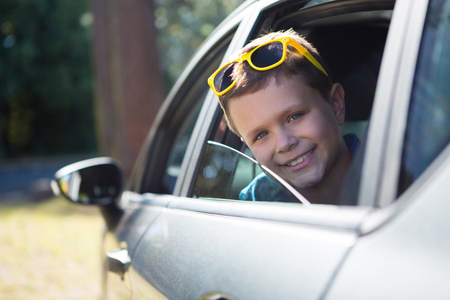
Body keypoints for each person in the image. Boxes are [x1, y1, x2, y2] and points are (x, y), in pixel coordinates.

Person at [207, 29, 358, 205]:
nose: (284, 143)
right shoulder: (255, 204)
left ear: (336, 104)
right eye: (261, 135)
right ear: (247, 145)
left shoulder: (391, 172)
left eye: (295, 116)